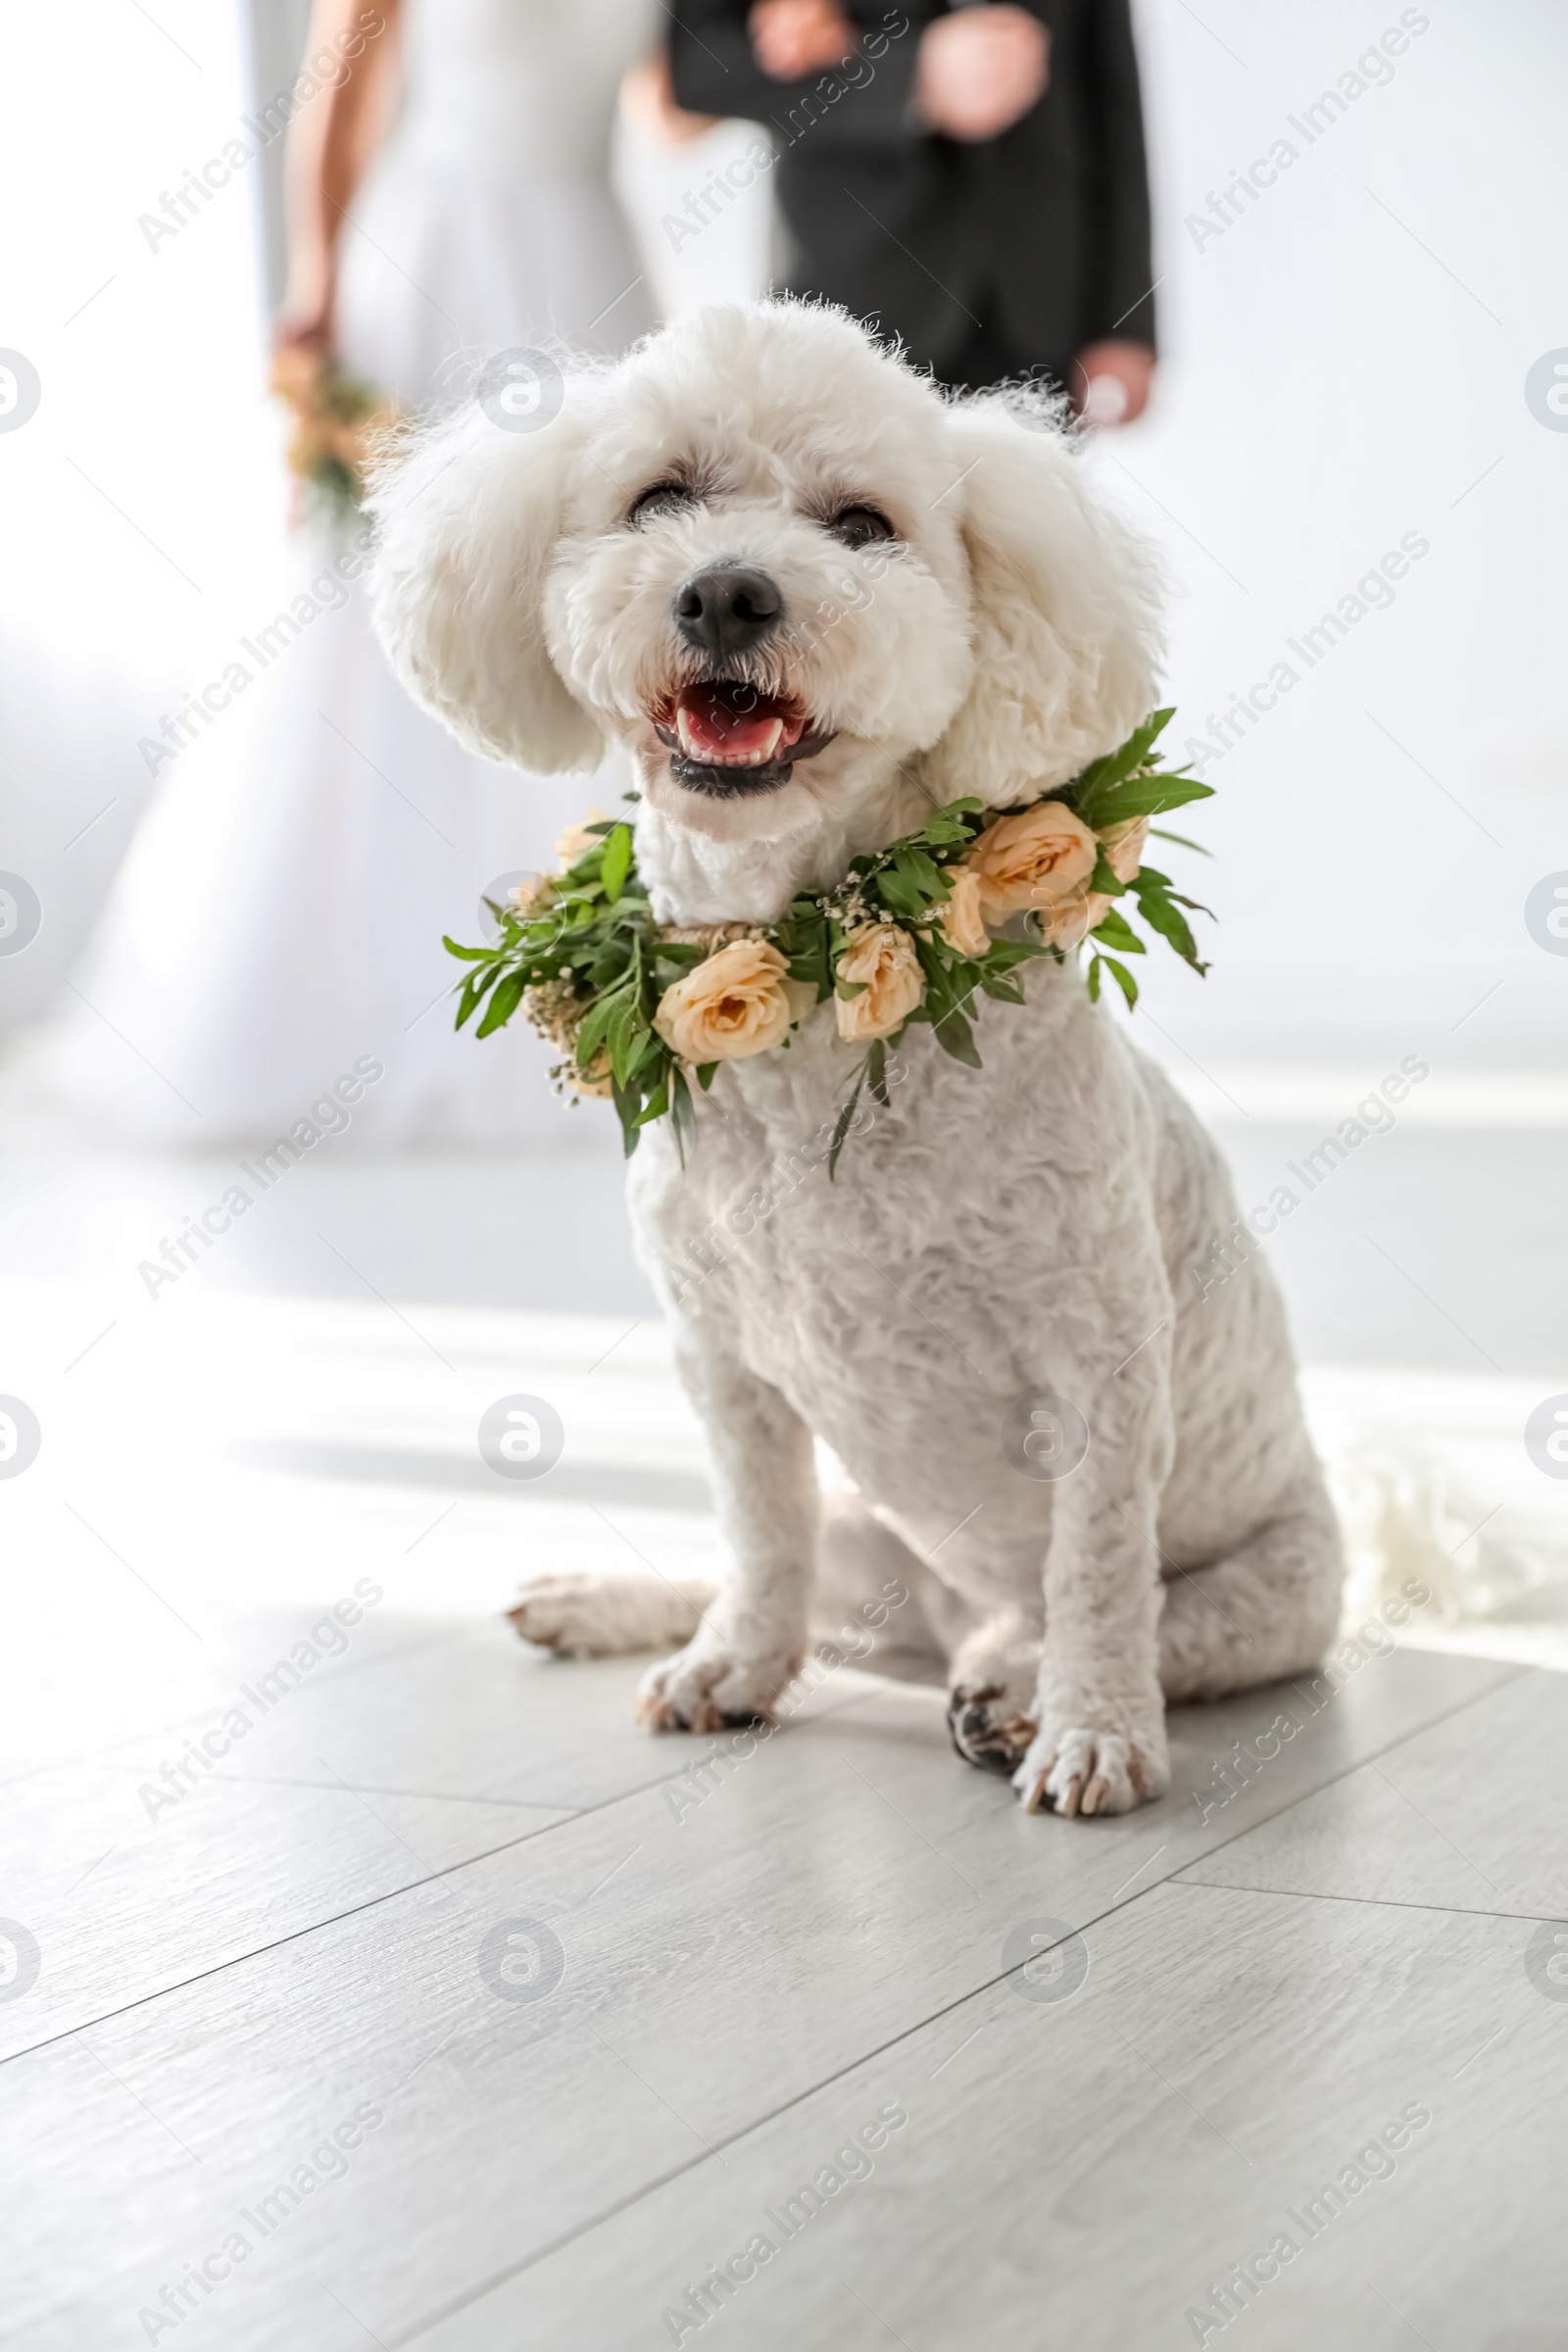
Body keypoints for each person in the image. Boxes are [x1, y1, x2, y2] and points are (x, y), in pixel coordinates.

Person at [59, 0, 659, 1143]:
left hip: (590, 258)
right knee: (391, 608)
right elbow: (336, 94)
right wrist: (319, 290)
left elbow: (670, 103)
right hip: (434, 262)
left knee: (597, 587)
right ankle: (368, 995)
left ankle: (601, 979)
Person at [667, 0, 1156, 420]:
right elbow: (696, 63)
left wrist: (1126, 322)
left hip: (1044, 315)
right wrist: (911, 77)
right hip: (855, 303)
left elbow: (1110, 88)